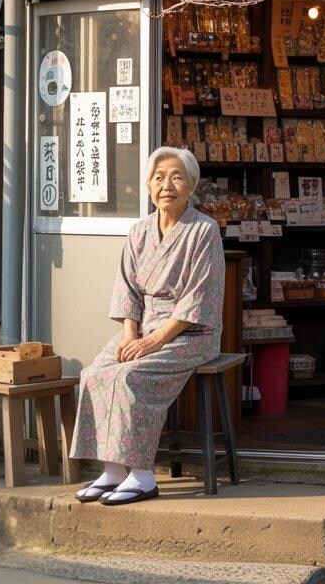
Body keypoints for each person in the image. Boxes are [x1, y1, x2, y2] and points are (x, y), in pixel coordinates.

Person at [70, 147, 224, 505]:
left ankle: (141, 475)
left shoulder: (204, 231)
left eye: (176, 177)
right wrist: (130, 335)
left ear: (190, 185)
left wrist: (152, 342)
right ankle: (112, 470)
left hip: (191, 332)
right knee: (95, 373)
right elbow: (128, 291)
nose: (166, 185)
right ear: (148, 187)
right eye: (158, 177)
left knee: (129, 378)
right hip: (142, 328)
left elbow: (198, 299)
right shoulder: (138, 231)